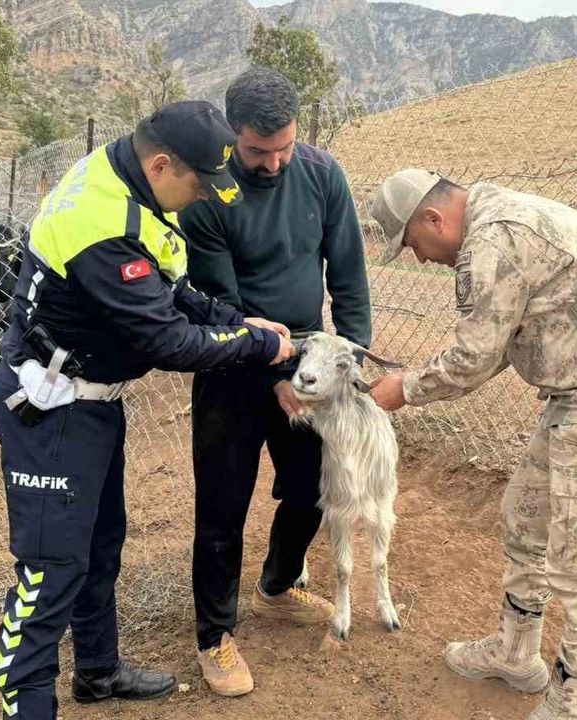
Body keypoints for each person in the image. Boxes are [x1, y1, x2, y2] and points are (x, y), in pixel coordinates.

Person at [0, 100, 295, 720]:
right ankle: (27, 707)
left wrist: (238, 320)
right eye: (199, 184)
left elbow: (170, 288)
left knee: (100, 545)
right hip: (52, 408)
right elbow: (168, 340)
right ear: (161, 165)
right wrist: (258, 343)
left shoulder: (126, 179)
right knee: (50, 570)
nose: (203, 196)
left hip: (93, 402)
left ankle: (97, 672)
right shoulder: (100, 224)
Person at [367, 169, 577, 720]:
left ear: (433, 219)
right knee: (525, 517)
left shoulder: (493, 239)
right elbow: (496, 344)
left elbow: (474, 357)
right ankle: (516, 652)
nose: (420, 257)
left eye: (414, 244)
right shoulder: (499, 218)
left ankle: (573, 704)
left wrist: (407, 389)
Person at [178, 67, 371, 696]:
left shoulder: (322, 174)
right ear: (233, 135)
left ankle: (278, 585)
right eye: (259, 151)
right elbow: (220, 304)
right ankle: (214, 635)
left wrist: (349, 365)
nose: (274, 162)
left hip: (309, 369)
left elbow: (348, 276)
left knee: (315, 486)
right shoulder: (207, 192)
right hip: (231, 368)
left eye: (284, 146)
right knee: (223, 507)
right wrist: (273, 378)